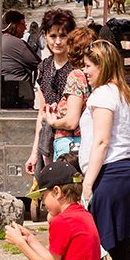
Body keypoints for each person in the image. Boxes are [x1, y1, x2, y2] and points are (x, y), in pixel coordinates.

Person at [78, 39, 130, 260]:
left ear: (102, 65)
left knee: (95, 244)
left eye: (88, 66)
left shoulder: (102, 95)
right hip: (128, 170)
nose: (85, 71)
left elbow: (101, 141)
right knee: (119, 246)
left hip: (109, 174)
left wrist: (87, 183)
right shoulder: (125, 94)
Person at [24, 8, 77, 175]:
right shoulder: (44, 66)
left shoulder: (78, 67)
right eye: (53, 36)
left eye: (63, 36)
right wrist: (34, 153)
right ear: (45, 36)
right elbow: (42, 112)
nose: (58, 41)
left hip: (73, 142)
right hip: (47, 140)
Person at [41, 26, 95, 162]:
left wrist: (52, 121)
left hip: (71, 146)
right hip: (89, 141)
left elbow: (71, 122)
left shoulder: (76, 76)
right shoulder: (97, 75)